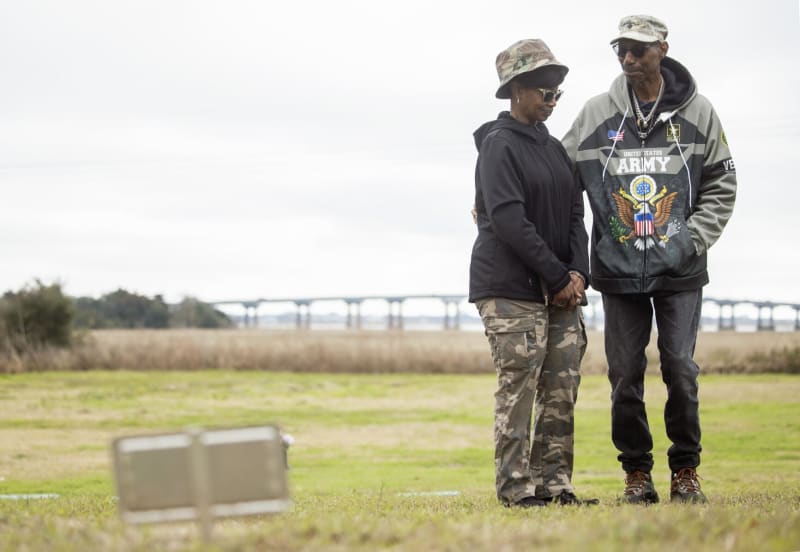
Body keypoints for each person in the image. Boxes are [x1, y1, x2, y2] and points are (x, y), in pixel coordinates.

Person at [562, 15, 737, 504]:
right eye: (621, 49)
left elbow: (722, 183)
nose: (628, 59)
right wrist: (499, 186)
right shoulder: (598, 113)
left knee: (680, 369)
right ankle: (636, 475)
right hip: (618, 272)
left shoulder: (700, 113)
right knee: (624, 377)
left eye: (638, 49)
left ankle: (686, 472)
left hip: (681, 271)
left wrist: (692, 240)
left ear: (662, 48)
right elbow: (555, 176)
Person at [469, 38, 595, 508]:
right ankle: (517, 489)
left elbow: (574, 216)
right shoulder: (499, 147)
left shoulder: (554, 150)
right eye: (544, 90)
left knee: (562, 387)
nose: (552, 99)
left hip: (562, 289)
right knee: (519, 388)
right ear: (516, 89)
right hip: (510, 290)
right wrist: (557, 277)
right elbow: (508, 221)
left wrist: (579, 273)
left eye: (558, 91)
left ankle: (555, 485)